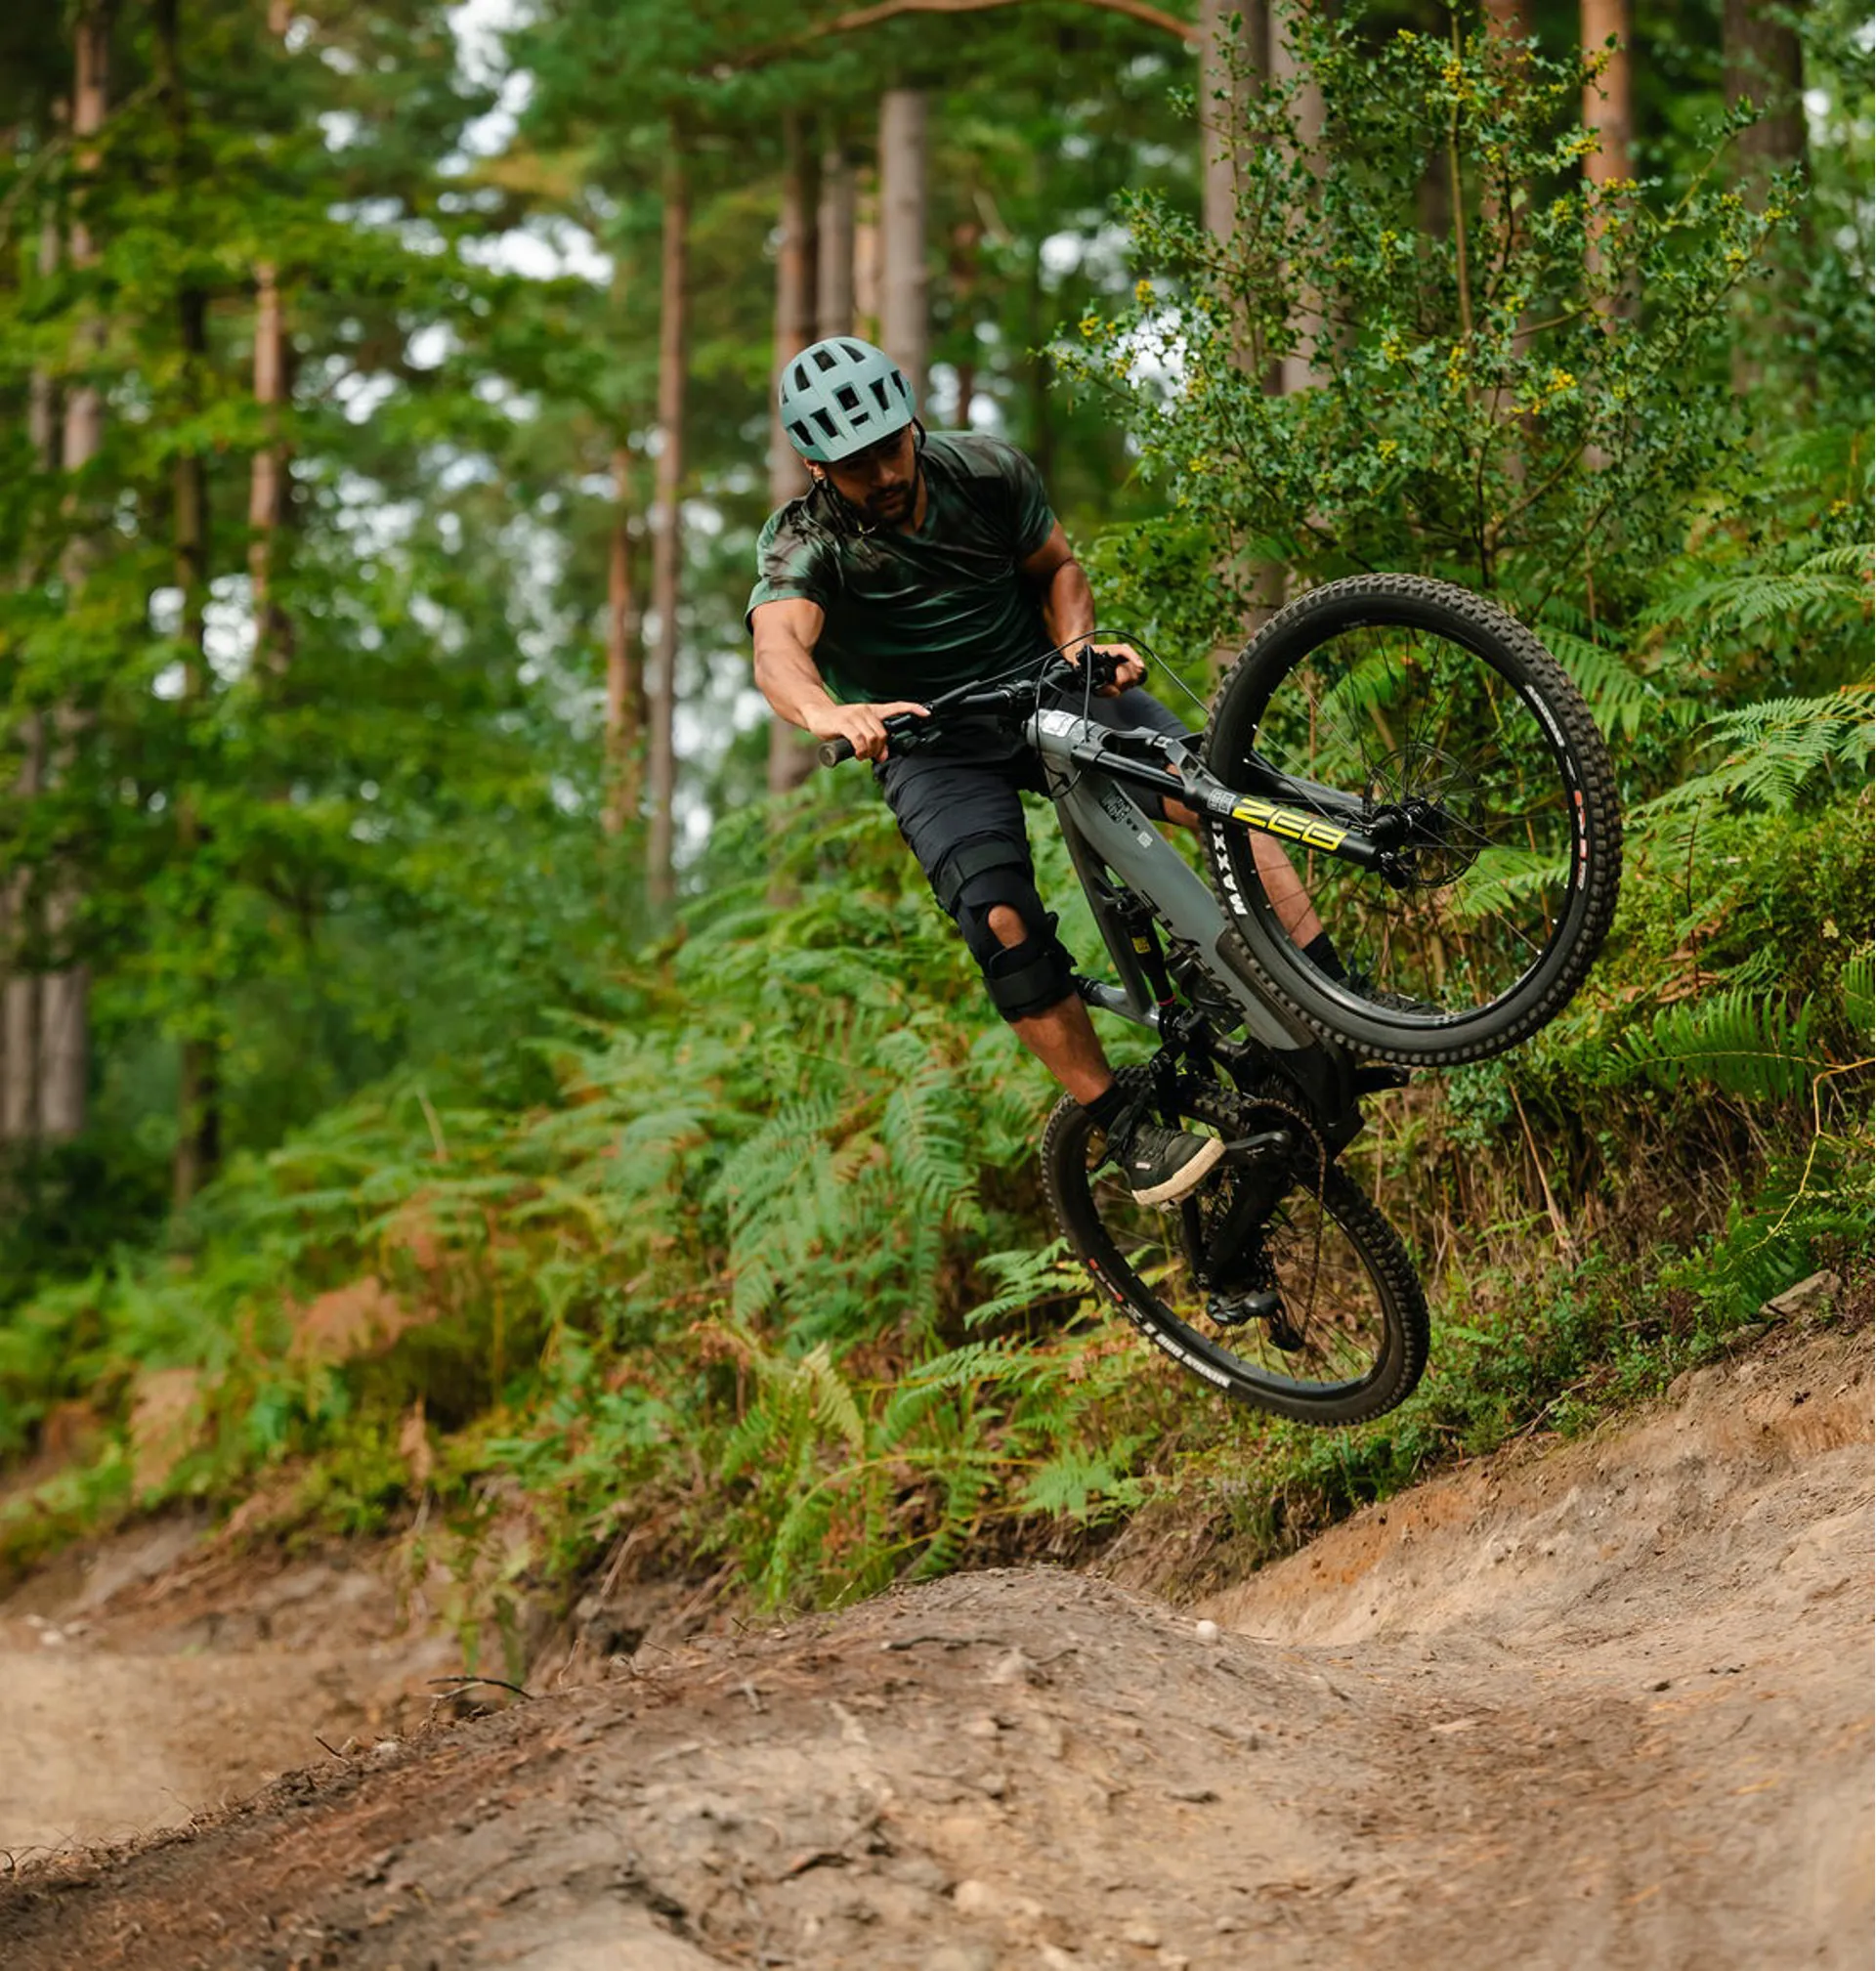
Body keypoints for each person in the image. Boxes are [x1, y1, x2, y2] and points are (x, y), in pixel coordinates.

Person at [746, 336, 1326, 1208]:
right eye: (857, 465)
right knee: (1000, 916)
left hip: (1047, 684)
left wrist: (1078, 648)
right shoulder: (805, 540)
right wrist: (825, 711)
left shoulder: (986, 473)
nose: (885, 473)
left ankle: (1333, 998)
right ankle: (1125, 1127)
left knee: (1214, 794)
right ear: (816, 466)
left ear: (912, 421)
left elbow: (1057, 566)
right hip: (932, 743)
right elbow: (778, 648)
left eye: (891, 447)